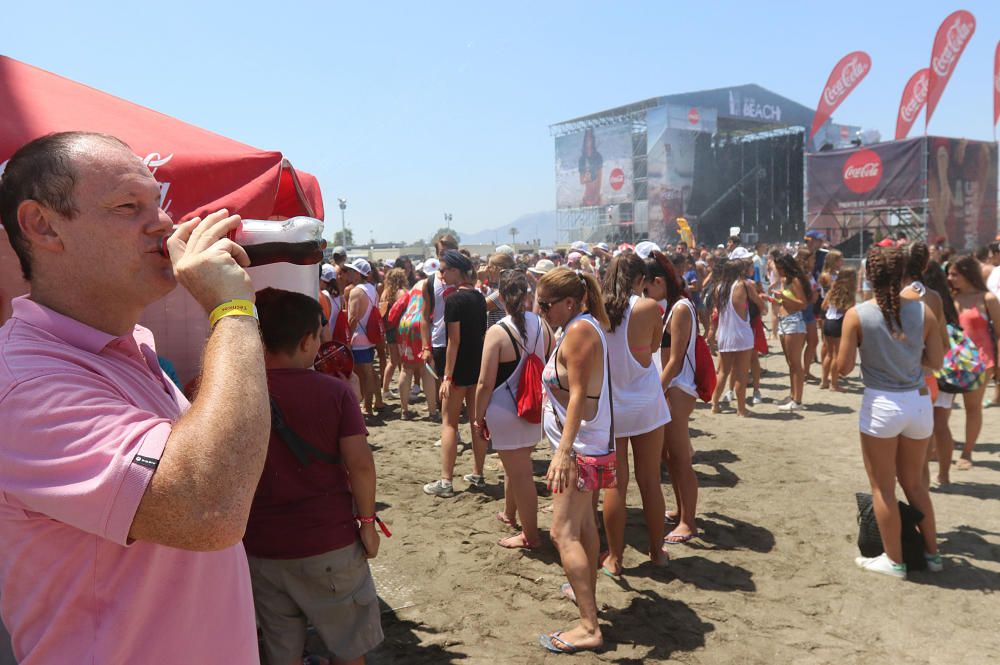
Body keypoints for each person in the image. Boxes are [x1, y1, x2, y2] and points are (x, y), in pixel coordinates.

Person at [0, 132, 268, 662]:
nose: (165, 224)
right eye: (128, 206)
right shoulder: (23, 384)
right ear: (42, 225)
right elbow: (208, 508)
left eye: (159, 203)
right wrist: (232, 310)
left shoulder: (132, 346)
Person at [246, 288, 383, 665]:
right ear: (307, 340)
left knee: (280, 648)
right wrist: (367, 523)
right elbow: (360, 464)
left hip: (261, 547)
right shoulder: (335, 392)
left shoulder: (235, 394)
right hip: (329, 543)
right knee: (349, 643)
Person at [837, 245, 944, 578]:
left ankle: (894, 560)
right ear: (901, 275)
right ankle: (933, 555)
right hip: (917, 401)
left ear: (868, 275)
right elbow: (937, 363)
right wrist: (907, 362)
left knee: (883, 487)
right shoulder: (923, 312)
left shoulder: (857, 314)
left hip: (881, 404)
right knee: (915, 485)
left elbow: (843, 368)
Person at [536, 267, 611, 655]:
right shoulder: (581, 326)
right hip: (588, 444)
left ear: (569, 302)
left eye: (545, 304)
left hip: (581, 448)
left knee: (561, 533)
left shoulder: (580, 330)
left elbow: (580, 395)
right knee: (582, 527)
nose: (540, 310)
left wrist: (564, 452)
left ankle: (588, 626)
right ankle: (588, 601)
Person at [599, 253, 671, 574]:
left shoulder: (597, 310)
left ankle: (615, 557)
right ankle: (657, 552)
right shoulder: (647, 308)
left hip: (611, 405)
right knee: (650, 481)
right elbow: (654, 348)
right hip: (645, 402)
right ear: (640, 280)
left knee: (615, 484)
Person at [474, 270, 551, 549]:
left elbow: (484, 383)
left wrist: (477, 417)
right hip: (534, 407)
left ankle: (531, 536)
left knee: (520, 474)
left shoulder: (497, 332)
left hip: (505, 410)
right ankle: (509, 514)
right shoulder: (543, 325)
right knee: (517, 465)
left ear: (502, 298)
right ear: (528, 295)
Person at [423, 250, 489, 497]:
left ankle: (446, 481)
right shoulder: (479, 297)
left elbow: (453, 341)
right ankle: (478, 474)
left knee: (449, 422)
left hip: (459, 366)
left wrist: (447, 376)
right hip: (477, 364)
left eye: (444, 269)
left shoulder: (454, 300)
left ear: (456, 271)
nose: (441, 274)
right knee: (476, 420)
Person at [647, 252, 701, 544]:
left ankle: (688, 521)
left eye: (647, 288)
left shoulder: (680, 308)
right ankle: (682, 511)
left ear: (658, 281)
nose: (645, 295)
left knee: (680, 458)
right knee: (670, 457)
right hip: (670, 388)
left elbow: (676, 360)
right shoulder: (671, 307)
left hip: (677, 388)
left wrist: (655, 390)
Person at [947, 256, 1000, 470]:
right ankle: (942, 446)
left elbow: (999, 332)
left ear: (968, 274)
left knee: (972, 408)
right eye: (949, 274)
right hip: (950, 360)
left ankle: (967, 451)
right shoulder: (950, 297)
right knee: (942, 408)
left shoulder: (987, 298)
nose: (949, 278)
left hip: (980, 361)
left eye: (954, 274)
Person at [921, 262, 962, 487]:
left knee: (927, 427)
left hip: (929, 369)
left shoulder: (924, 300)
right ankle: (944, 475)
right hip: (948, 369)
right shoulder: (949, 301)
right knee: (942, 425)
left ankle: (923, 476)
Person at [711, 256, 763, 416]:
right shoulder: (743, 285)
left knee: (723, 372)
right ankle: (741, 409)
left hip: (724, 334)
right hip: (741, 334)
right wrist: (763, 305)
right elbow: (759, 303)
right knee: (741, 373)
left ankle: (715, 404)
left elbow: (716, 312)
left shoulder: (719, 288)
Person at [771, 254, 810, 411]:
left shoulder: (794, 280)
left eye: (780, 268)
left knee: (795, 363)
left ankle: (797, 400)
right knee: (790, 363)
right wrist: (775, 300)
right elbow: (784, 302)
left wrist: (783, 298)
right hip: (784, 320)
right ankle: (793, 395)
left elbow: (802, 304)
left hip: (794, 321)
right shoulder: (784, 280)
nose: (778, 271)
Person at [346, 258, 384, 417]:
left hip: (358, 338)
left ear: (357, 273)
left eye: (351, 271)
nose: (348, 273)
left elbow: (352, 319)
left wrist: (347, 341)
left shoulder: (356, 291)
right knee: (370, 371)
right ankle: (377, 401)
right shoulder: (372, 289)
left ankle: (367, 406)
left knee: (364, 373)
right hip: (369, 336)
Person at [820, 268, 857, 392]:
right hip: (838, 322)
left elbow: (823, 306)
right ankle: (834, 384)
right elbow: (849, 310)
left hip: (828, 321)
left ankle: (824, 381)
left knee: (829, 354)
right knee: (836, 355)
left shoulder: (832, 289)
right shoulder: (849, 293)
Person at [380, 267, 409, 401]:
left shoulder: (385, 293)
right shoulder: (402, 292)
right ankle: (404, 390)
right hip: (400, 330)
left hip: (389, 329)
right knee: (404, 362)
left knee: (392, 361)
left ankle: (385, 389)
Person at [578, 128, 603, 207]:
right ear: (584, 140)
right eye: (587, 138)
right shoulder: (582, 159)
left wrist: (597, 196)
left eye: (590, 138)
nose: (588, 141)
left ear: (593, 139)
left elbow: (600, 179)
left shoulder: (598, 156)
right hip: (587, 196)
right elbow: (581, 181)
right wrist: (589, 178)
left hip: (597, 195)